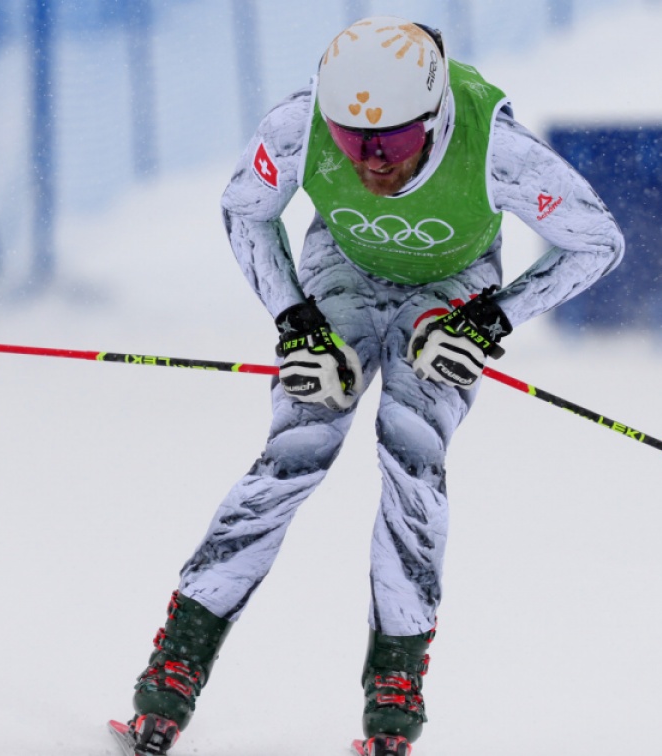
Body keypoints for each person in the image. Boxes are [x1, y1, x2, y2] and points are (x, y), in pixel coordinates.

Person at [119, 16, 624, 756]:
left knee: (412, 455)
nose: (372, 161)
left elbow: (597, 242)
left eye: (393, 139)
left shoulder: (498, 149)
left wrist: (489, 320)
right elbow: (245, 212)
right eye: (351, 141)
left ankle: (396, 684)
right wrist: (295, 321)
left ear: (436, 117)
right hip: (343, 271)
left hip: (451, 286)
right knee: (297, 449)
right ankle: (175, 666)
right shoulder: (298, 127)